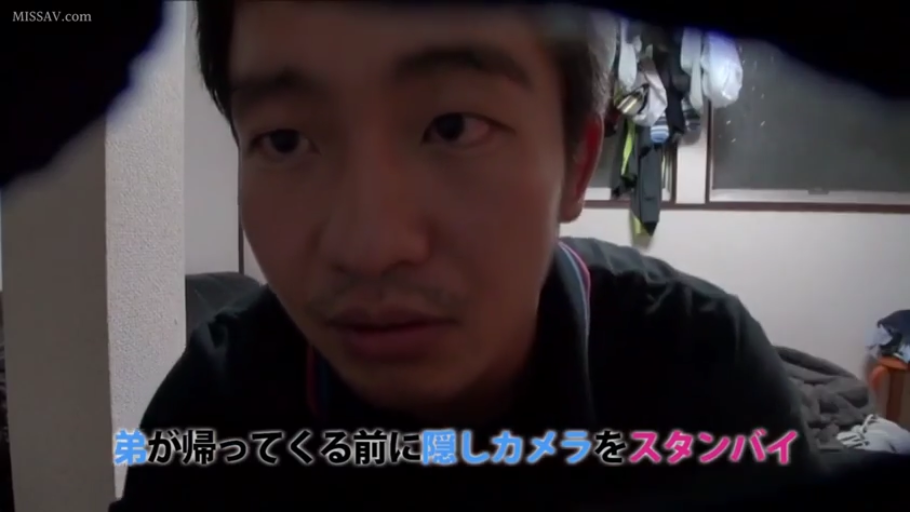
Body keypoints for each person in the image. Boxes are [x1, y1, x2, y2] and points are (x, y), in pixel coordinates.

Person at [105, 2, 827, 511]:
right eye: (286, 140)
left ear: (577, 166)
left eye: (452, 127)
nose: (368, 248)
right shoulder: (209, 423)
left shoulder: (707, 382)